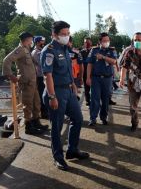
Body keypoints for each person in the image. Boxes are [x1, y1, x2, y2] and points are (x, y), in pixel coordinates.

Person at [40, 21, 89, 171]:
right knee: (57, 126)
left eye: (68, 33)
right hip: (56, 92)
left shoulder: (65, 48)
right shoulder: (49, 50)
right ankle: (58, 158)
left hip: (68, 90)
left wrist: (73, 84)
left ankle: (72, 150)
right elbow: (47, 76)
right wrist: (52, 96)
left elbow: (68, 69)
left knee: (78, 119)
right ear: (54, 35)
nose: (66, 36)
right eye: (63, 34)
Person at [2, 32, 48, 135]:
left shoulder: (27, 50)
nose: (32, 42)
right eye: (31, 40)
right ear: (26, 40)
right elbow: (7, 60)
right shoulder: (20, 50)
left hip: (33, 82)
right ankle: (28, 126)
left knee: (37, 103)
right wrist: (10, 75)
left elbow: (34, 63)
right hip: (26, 82)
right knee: (27, 105)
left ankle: (36, 123)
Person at [86, 32, 117, 126]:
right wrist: (88, 78)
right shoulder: (94, 50)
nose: (106, 42)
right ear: (99, 42)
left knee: (105, 99)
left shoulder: (112, 50)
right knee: (94, 99)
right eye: (104, 41)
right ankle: (93, 118)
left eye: (108, 40)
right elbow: (89, 64)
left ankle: (103, 117)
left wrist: (103, 57)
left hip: (107, 79)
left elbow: (114, 61)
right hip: (96, 79)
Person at [32, 36, 48, 119]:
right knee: (42, 95)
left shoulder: (40, 51)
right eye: (42, 41)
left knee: (46, 94)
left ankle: (46, 111)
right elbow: (42, 63)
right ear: (37, 42)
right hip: (40, 77)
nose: (43, 43)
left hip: (43, 76)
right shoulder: (35, 52)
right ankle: (44, 113)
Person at [80, 37, 92, 106]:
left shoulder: (93, 51)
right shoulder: (82, 52)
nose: (86, 43)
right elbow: (81, 62)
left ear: (91, 42)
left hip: (93, 72)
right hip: (85, 72)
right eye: (85, 42)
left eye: (88, 42)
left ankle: (94, 100)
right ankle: (88, 100)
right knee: (86, 87)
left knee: (94, 88)